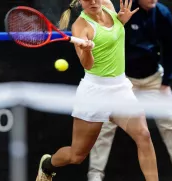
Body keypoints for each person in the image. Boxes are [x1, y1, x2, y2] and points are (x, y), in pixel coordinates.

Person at [35, 0, 159, 181]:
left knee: (144, 135)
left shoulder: (108, 5)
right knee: (76, 156)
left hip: (121, 89)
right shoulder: (80, 26)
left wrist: (121, 21)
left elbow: (112, 36)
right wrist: (87, 51)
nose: (93, 2)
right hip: (94, 93)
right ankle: (47, 165)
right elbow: (88, 65)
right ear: (80, 2)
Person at [87, 0, 172, 181]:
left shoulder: (162, 14)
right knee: (105, 123)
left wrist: (166, 83)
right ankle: (95, 175)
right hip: (122, 80)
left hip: (153, 79)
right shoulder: (121, 10)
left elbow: (169, 48)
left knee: (169, 122)